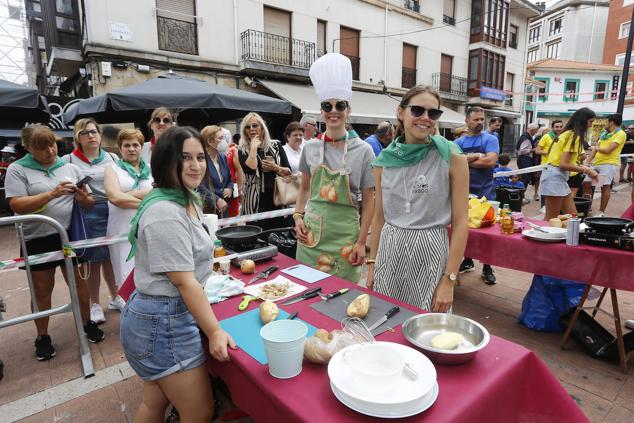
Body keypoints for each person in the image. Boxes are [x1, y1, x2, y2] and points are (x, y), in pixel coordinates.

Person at [120, 126, 235, 422]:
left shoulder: (181, 197)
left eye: (200, 157)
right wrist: (214, 331)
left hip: (155, 319)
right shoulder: (166, 212)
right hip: (164, 323)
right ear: (166, 159)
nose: (196, 165)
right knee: (198, 412)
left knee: (153, 403)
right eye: (185, 157)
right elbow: (184, 282)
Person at [5, 126, 104, 360]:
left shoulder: (69, 167)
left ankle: (87, 322)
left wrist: (83, 198)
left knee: (79, 283)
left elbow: (89, 202)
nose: (50, 151)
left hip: (69, 233)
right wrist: (52, 194)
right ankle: (42, 336)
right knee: (42, 289)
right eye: (42, 147)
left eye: (53, 145)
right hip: (37, 237)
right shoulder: (17, 169)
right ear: (28, 148)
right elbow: (17, 205)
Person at [367, 86, 468, 312]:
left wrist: (449, 280)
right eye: (418, 110)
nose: (425, 118)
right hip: (389, 250)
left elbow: (461, 223)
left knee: (427, 328)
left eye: (433, 113)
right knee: (386, 320)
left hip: (430, 251)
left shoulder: (452, 157)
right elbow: (379, 217)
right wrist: (372, 265)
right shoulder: (384, 161)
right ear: (401, 112)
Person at [294, 53, 375, 283]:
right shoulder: (309, 148)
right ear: (321, 111)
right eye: (327, 105)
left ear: (348, 109)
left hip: (345, 239)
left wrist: (361, 242)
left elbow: (369, 201)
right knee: (306, 292)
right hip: (311, 236)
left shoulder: (364, 151)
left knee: (342, 295)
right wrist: (298, 216)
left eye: (340, 105)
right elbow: (304, 189)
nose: (333, 110)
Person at [62, 118, 118, 324]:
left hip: (113, 210)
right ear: (78, 137)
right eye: (85, 133)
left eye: (94, 132)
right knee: (92, 261)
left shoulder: (111, 157)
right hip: (87, 213)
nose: (91, 136)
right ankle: (95, 303)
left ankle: (115, 297)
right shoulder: (68, 159)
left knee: (112, 257)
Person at [104, 129, 153, 309]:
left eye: (135, 145)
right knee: (125, 275)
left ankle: (147, 309)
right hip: (122, 230)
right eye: (127, 145)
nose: (131, 149)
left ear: (141, 147)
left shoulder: (151, 169)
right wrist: (147, 199)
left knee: (150, 271)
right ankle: (130, 312)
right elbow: (115, 198)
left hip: (148, 228)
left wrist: (128, 194)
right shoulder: (112, 170)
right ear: (120, 148)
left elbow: (160, 193)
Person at [455, 106, 499, 285]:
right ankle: (467, 259)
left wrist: (466, 159)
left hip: (485, 191)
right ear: (467, 121)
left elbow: (490, 161)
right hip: (463, 192)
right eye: (476, 119)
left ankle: (487, 267)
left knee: (487, 231)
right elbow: (454, 162)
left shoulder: (491, 138)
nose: (480, 122)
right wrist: (477, 156)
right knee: (464, 228)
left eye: (482, 119)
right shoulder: (458, 142)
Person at [540, 107, 598, 220]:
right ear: (583, 120)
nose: (591, 125)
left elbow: (564, 162)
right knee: (551, 219)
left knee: (573, 218)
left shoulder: (567, 134)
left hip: (556, 176)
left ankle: (570, 236)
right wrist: (587, 170)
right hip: (555, 177)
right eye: (590, 121)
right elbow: (564, 164)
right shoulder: (573, 136)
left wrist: (582, 167)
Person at [238, 112, 292, 229]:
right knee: (258, 237)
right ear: (244, 131)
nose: (251, 129)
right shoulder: (242, 149)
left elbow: (288, 172)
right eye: (247, 127)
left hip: (277, 197)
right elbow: (250, 169)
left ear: (262, 128)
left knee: (279, 234)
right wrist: (253, 148)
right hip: (254, 200)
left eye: (255, 126)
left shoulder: (276, 145)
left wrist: (275, 167)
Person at [581, 114, 627, 217]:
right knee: (586, 184)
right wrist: (588, 161)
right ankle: (588, 208)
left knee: (605, 186)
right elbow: (595, 149)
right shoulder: (604, 134)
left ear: (611, 122)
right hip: (597, 163)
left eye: (606, 121)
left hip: (609, 164)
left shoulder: (621, 134)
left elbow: (608, 150)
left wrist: (595, 148)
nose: (604, 124)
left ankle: (601, 211)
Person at [199, 125, 234, 217]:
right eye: (221, 138)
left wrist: (230, 188)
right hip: (208, 209)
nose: (225, 141)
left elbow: (230, 179)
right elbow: (199, 186)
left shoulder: (222, 157)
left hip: (224, 207)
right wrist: (217, 199)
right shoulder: (201, 160)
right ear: (210, 142)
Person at [516, 123, 539, 191]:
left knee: (524, 177)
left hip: (524, 159)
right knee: (525, 178)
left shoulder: (525, 136)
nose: (536, 132)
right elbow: (522, 151)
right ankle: (521, 195)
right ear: (532, 129)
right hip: (524, 159)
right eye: (536, 130)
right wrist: (533, 149)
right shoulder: (526, 137)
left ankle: (521, 195)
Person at [226, 134, 244, 217]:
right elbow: (239, 171)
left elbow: (239, 170)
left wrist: (239, 189)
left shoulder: (233, 151)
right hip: (220, 188)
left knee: (233, 215)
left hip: (232, 186)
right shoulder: (233, 151)